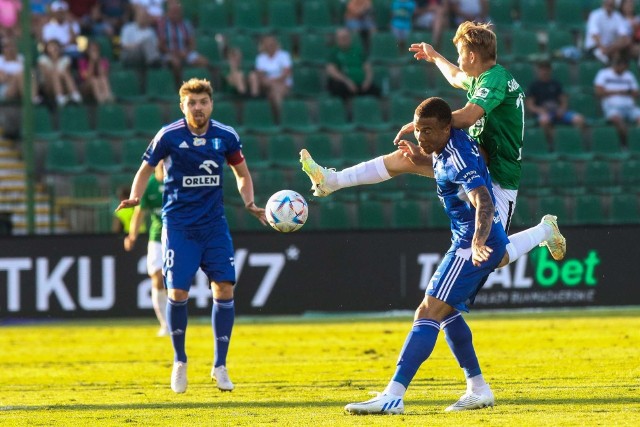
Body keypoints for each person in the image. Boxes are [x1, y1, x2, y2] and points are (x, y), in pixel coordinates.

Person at [332, 97, 565, 415]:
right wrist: (419, 156)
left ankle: (393, 395)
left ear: (446, 127)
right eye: (418, 130)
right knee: (447, 313)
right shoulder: (445, 147)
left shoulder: (458, 157)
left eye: (428, 131)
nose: (421, 137)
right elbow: (445, 170)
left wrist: (479, 241)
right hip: (470, 240)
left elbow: (483, 199)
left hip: (470, 243)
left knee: (427, 311)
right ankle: (478, 388)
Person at [115, 78, 267, 394]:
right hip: (179, 227)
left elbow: (242, 173)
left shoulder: (225, 136)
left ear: (211, 104)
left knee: (224, 288)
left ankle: (220, 366)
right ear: (182, 106)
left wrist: (250, 202)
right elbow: (146, 169)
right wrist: (135, 196)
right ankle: (180, 361)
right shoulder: (168, 136)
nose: (198, 107)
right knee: (178, 293)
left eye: (203, 102)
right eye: (192, 103)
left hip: (214, 226)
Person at [124, 161, 168, 337]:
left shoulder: (177, 182)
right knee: (156, 277)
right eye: (162, 163)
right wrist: (132, 236)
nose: (165, 166)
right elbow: (139, 214)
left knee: (173, 280)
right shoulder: (150, 185)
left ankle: (176, 320)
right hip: (156, 237)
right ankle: (165, 324)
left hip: (178, 236)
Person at [526, 60, 586, 147]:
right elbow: (530, 105)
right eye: (542, 69)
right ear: (538, 71)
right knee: (544, 121)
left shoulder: (556, 84)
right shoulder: (534, 86)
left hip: (558, 112)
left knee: (579, 119)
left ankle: (576, 144)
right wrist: (540, 111)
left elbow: (564, 101)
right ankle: (555, 145)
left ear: (550, 70)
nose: (544, 72)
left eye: (546, 69)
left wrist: (562, 109)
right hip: (544, 113)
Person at [156, 0, 209, 88]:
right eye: (173, 12)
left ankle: (201, 88)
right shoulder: (162, 25)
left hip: (185, 53)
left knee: (203, 61)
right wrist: (174, 53)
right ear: (168, 12)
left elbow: (192, 44)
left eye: (177, 12)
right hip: (168, 54)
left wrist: (186, 52)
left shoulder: (186, 24)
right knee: (176, 63)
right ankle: (180, 87)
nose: (175, 14)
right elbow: (160, 45)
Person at [594, 55, 640, 147]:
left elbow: (636, 92)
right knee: (617, 120)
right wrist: (620, 92)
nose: (622, 68)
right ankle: (626, 144)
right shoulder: (604, 73)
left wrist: (615, 92)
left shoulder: (629, 75)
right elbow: (598, 92)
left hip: (630, 107)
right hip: (612, 107)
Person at [325, 28, 381, 101]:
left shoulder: (358, 50)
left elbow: (367, 67)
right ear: (337, 39)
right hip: (344, 82)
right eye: (341, 38)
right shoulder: (333, 52)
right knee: (338, 88)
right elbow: (332, 71)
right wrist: (347, 81)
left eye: (346, 37)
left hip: (361, 83)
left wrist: (367, 81)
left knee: (376, 91)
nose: (344, 40)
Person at [248, 34, 292, 122]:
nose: (269, 46)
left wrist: (273, 81)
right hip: (266, 85)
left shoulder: (284, 55)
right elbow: (260, 75)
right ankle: (254, 99)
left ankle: (281, 121)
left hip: (282, 84)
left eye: (271, 44)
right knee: (253, 76)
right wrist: (270, 82)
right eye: (267, 44)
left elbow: (286, 73)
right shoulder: (260, 58)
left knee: (276, 94)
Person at [37, 39, 82, 107]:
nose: (54, 48)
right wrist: (54, 60)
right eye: (51, 46)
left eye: (56, 46)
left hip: (64, 86)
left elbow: (67, 73)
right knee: (55, 75)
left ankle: (75, 95)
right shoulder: (42, 59)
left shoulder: (66, 59)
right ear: (47, 48)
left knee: (65, 74)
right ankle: (60, 97)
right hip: (48, 87)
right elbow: (46, 75)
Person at [78, 40, 115, 104]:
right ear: (87, 51)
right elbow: (86, 77)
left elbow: (104, 75)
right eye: (92, 50)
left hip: (100, 84)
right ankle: (101, 101)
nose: (94, 52)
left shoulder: (104, 61)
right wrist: (92, 62)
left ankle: (108, 97)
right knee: (94, 80)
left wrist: (98, 62)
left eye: (96, 50)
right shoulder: (82, 62)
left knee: (103, 79)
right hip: (86, 86)